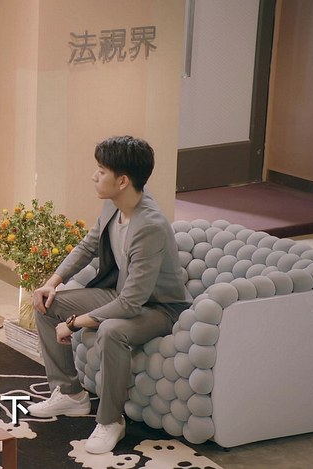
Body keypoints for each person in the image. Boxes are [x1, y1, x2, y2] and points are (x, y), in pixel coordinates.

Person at [27, 136, 192, 454]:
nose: (94, 176)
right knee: (47, 304)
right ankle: (70, 394)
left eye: (101, 170)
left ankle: (111, 421)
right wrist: (52, 283)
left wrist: (73, 323)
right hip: (122, 293)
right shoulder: (114, 204)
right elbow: (88, 245)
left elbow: (132, 304)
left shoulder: (149, 226)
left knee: (112, 331)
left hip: (160, 308)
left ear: (123, 181)